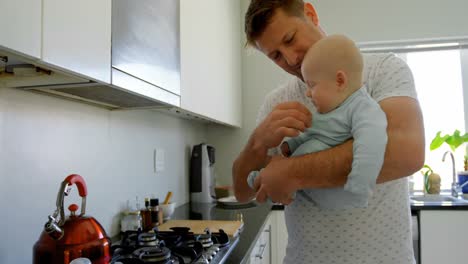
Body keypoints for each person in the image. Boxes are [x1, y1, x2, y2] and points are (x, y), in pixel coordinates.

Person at [232, 0, 425, 263]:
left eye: (289, 39)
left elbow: (406, 151)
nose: (290, 59)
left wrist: (291, 172)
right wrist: (257, 142)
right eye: (275, 55)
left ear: (310, 14)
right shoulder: (275, 104)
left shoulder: (383, 70)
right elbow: (243, 192)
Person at [247, 34, 388, 209]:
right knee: (280, 165)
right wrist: (292, 145)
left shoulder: (364, 109)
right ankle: (264, 179)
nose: (308, 93)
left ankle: (267, 180)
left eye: (312, 85)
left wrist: (359, 188)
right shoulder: (331, 109)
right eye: (276, 55)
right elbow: (314, 132)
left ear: (340, 80)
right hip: (307, 196)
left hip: (339, 195)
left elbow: (371, 147)